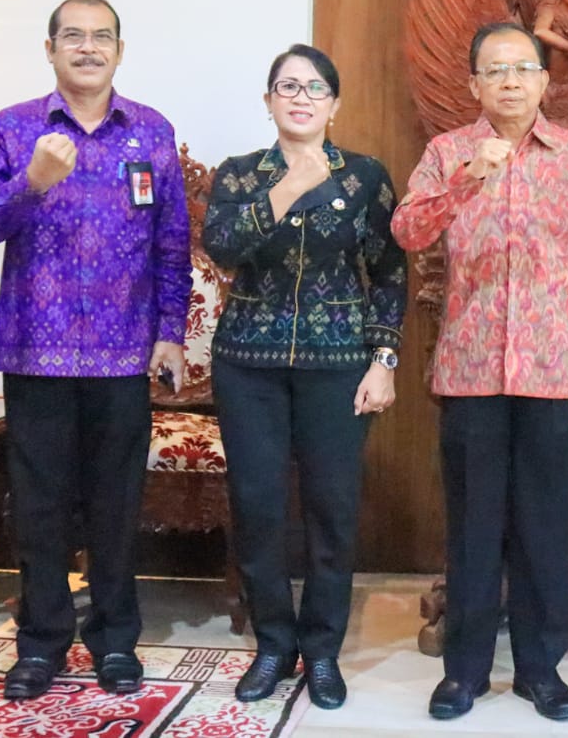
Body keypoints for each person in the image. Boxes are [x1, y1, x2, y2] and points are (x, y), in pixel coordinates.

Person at [0, 0, 191, 701]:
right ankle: (41, 643)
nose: (87, 47)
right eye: (73, 36)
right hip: (37, 350)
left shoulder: (149, 130)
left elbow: (173, 240)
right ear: (50, 48)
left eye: (101, 37)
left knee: (117, 505)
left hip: (125, 354)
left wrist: (172, 332)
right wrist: (30, 184)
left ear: (120, 50)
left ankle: (116, 639)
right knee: (40, 506)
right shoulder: (13, 128)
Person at [392, 22, 568, 723]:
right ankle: (463, 671)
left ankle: (539, 668)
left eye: (524, 68)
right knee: (473, 528)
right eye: (496, 71)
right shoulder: (447, 151)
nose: (511, 81)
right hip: (470, 370)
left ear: (546, 81)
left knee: (545, 526)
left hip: (554, 370)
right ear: (475, 85)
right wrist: (465, 182)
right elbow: (408, 232)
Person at [202, 44, 408, 709]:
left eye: (315, 87)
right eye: (287, 86)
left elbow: (391, 272)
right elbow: (224, 248)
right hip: (248, 367)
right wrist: (288, 185)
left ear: (334, 103)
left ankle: (321, 649)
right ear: (268, 100)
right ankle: (271, 645)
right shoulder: (238, 176)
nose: (301, 96)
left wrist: (383, 358)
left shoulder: (366, 177)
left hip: (338, 368)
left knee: (332, 511)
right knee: (258, 508)